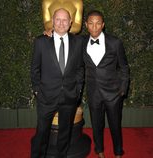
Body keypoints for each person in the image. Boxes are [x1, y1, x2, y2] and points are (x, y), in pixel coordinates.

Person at [31, 8, 84, 158]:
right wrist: (37, 90)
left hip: (69, 96)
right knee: (41, 133)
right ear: (52, 21)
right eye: (58, 19)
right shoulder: (41, 42)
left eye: (65, 20)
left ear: (70, 23)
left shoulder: (79, 42)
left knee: (64, 133)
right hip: (46, 97)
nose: (61, 23)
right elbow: (35, 69)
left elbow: (80, 68)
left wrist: (78, 90)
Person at [83, 10, 130, 158]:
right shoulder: (81, 42)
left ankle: (118, 152)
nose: (94, 27)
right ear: (86, 25)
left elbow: (124, 67)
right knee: (97, 126)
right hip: (93, 93)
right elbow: (63, 36)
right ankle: (100, 151)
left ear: (103, 25)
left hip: (113, 94)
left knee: (115, 125)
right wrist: (49, 32)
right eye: (91, 23)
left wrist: (122, 90)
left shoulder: (115, 42)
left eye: (98, 23)